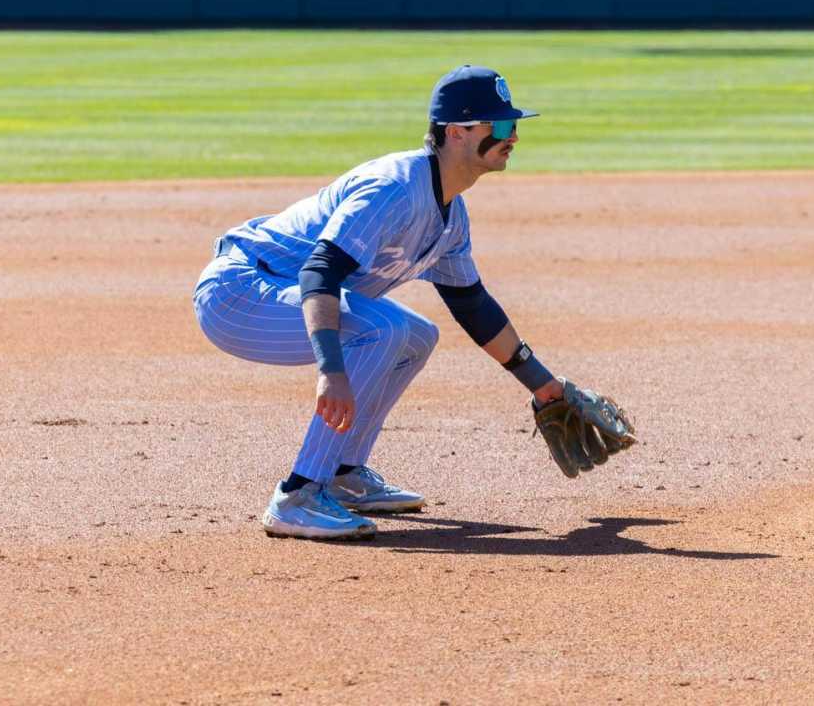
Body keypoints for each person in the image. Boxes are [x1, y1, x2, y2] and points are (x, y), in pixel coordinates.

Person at [192, 65, 633, 541]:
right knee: (385, 329)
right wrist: (331, 369)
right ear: (457, 132)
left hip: (283, 294)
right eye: (501, 126)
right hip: (240, 293)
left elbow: (473, 306)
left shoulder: (450, 213)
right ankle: (298, 495)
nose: (514, 137)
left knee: (419, 335)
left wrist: (544, 387)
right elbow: (319, 271)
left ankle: (344, 475)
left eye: (515, 125)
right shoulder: (394, 187)